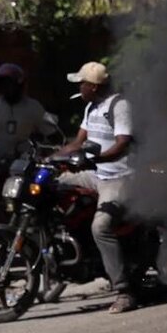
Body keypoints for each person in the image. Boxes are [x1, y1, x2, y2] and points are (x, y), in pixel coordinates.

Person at [55, 62, 137, 314]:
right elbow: (77, 143)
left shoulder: (119, 105)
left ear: (93, 86)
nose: (79, 87)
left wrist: (97, 158)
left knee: (100, 226)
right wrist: (51, 158)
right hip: (95, 175)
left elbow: (123, 143)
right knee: (51, 184)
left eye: (82, 83)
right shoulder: (91, 107)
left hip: (119, 178)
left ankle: (124, 291)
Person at [0, 63, 46, 159]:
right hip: (0, 162)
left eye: (10, 83)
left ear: (20, 84)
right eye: (3, 83)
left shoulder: (34, 107)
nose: (7, 87)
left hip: (27, 161)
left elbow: (49, 133)